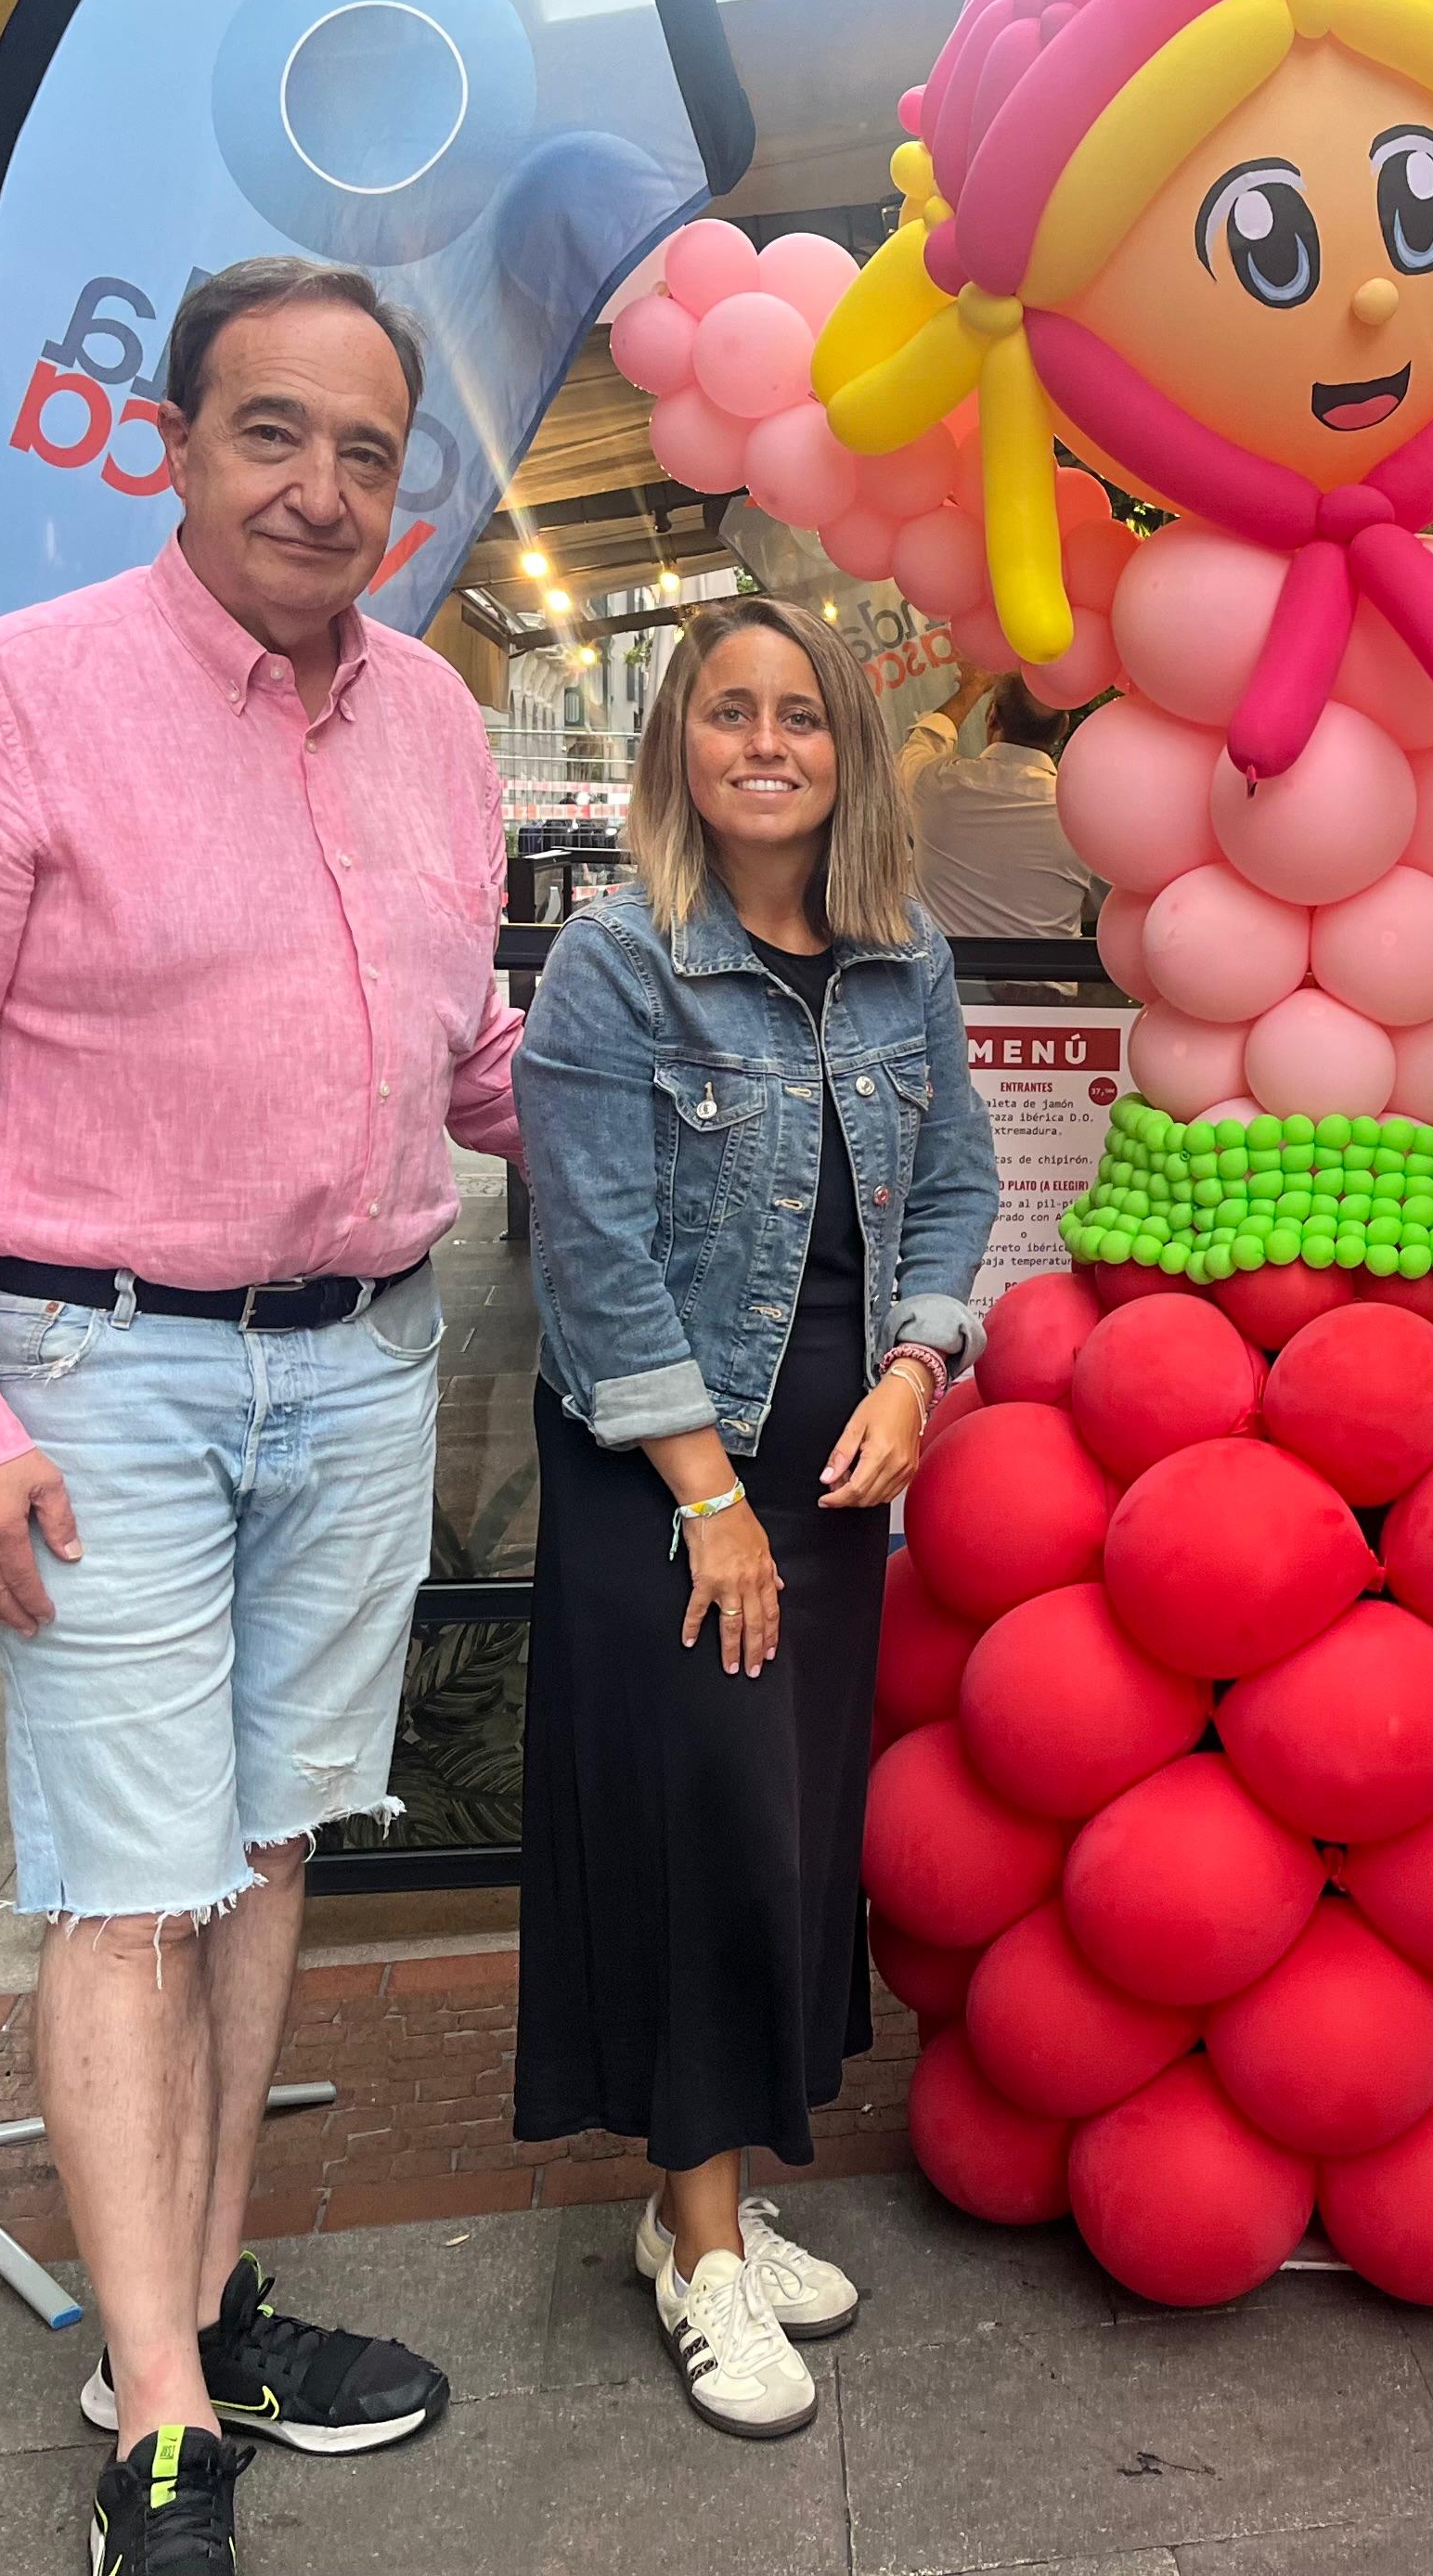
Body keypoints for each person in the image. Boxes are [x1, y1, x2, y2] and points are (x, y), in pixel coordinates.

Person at [0, 258, 521, 2576]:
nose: (319, 488)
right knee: (127, 1891)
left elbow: (453, 1050)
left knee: (277, 1843)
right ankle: (168, 2431)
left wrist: (674, 1057)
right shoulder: (10, 706)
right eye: (270, 432)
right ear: (176, 441)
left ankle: (187, 2307)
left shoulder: (433, 720)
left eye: (363, 450)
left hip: (366, 1358)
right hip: (96, 1377)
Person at [510, 593, 997, 2439]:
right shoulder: (618, 965)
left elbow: (946, 1188)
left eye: (801, 712)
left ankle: (699, 2197)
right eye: (730, 711)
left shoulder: (901, 958)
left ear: (845, 751)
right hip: (669, 1481)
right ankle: (704, 2250)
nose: (769, 741)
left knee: (792, 1833)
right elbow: (597, 1258)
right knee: (707, 1825)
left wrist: (920, 1365)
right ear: (675, 746)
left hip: (838, 1463)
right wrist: (708, 1491)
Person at [907, 674, 1095, 941]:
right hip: (1047, 979)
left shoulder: (935, 786)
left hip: (948, 980)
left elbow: (922, 743)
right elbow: (1102, 899)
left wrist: (973, 686)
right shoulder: (1085, 815)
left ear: (992, 716)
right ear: (1063, 727)